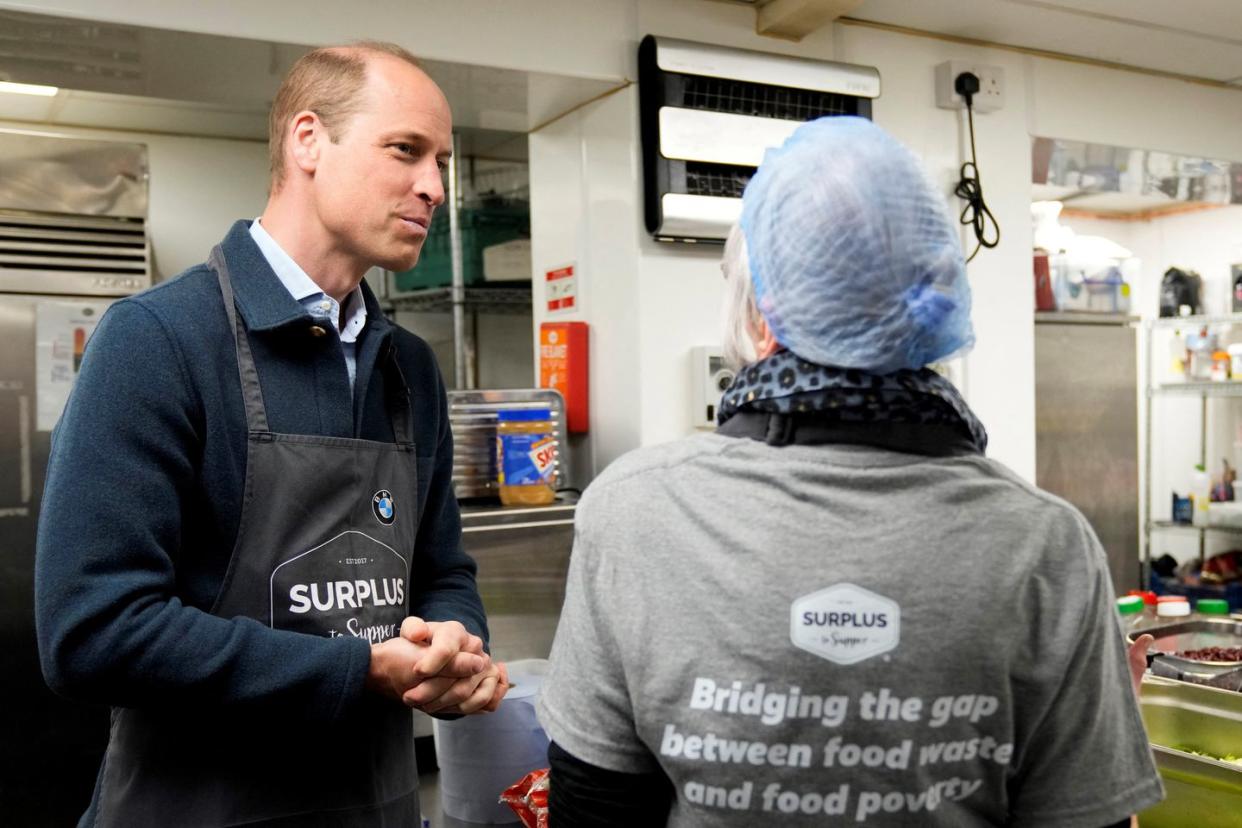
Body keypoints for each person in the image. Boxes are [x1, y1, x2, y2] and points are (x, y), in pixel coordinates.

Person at [536, 117, 1163, 826]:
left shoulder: (635, 509)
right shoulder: (1048, 543)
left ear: (765, 316)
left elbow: (594, 808)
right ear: (932, 301)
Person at [35, 42, 507, 827]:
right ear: (308, 141)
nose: (434, 188)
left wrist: (456, 645)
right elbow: (92, 631)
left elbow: (441, 568)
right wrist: (357, 671)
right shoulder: (158, 341)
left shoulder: (409, 367)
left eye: (442, 164)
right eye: (406, 151)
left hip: (378, 805)